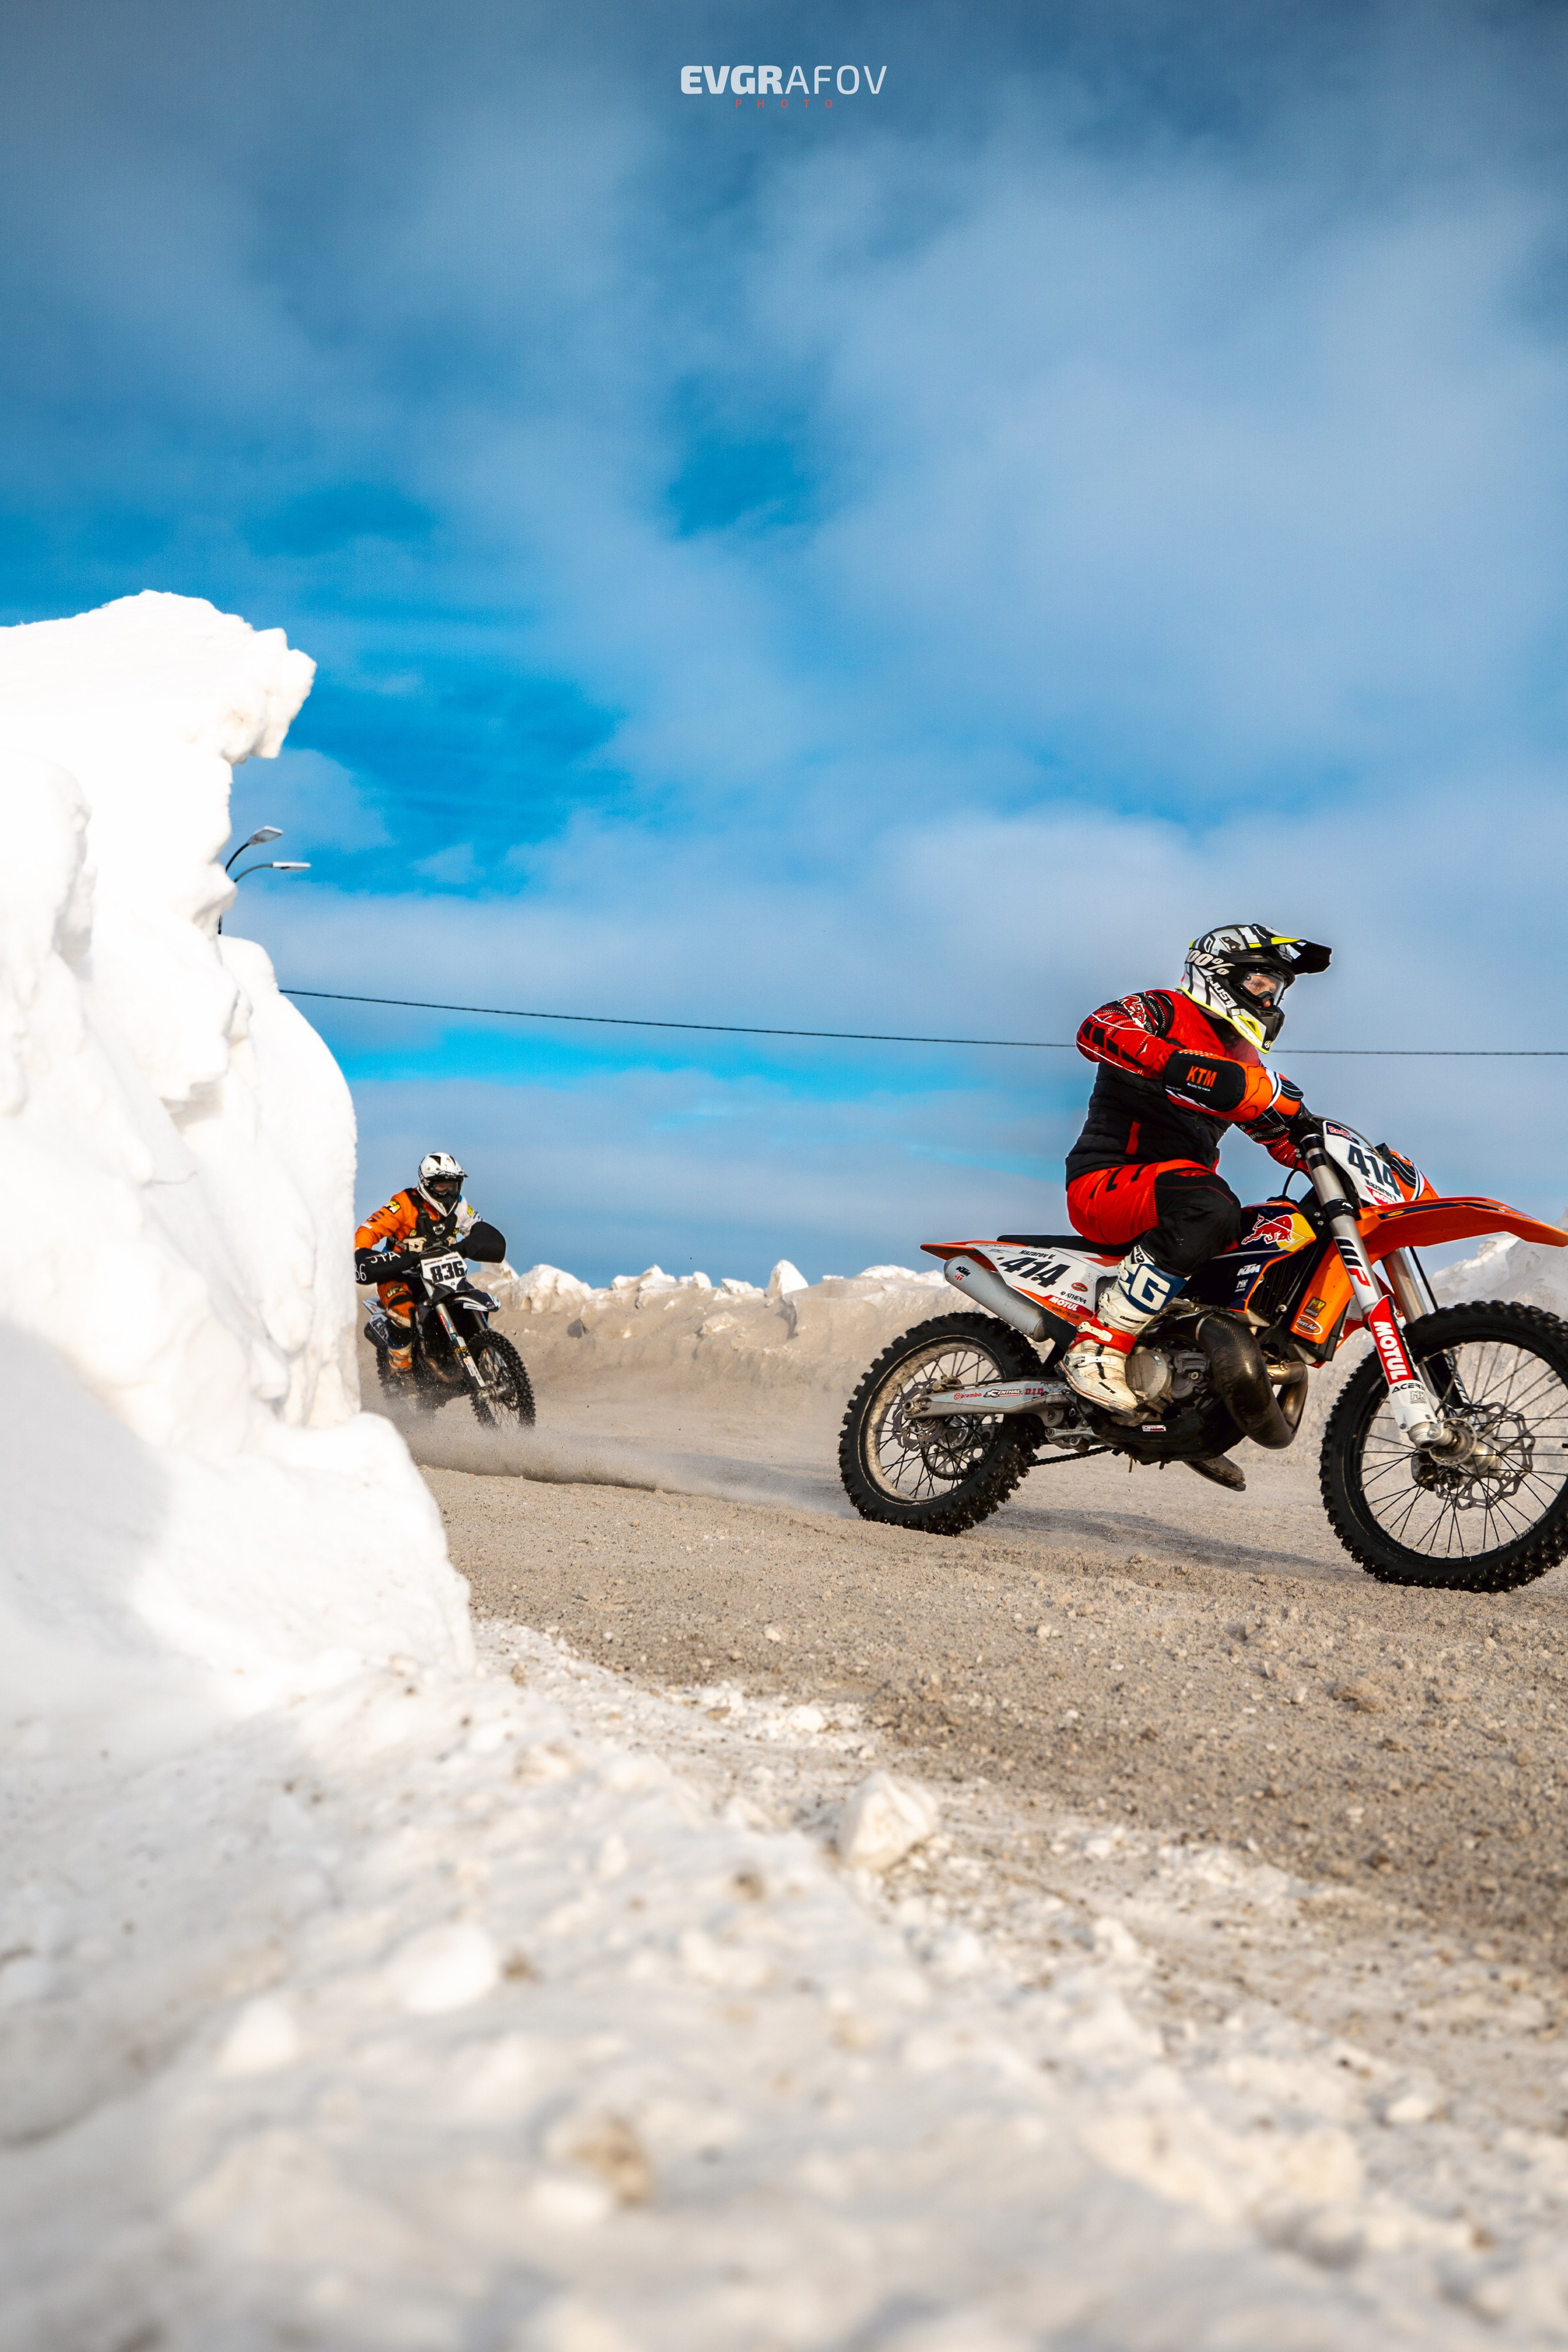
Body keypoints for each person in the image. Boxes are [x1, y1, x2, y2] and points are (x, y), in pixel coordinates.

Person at [1060, 925, 1331, 1472]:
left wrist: (1329, 1152)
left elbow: (1278, 1135)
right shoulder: (1163, 1009)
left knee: (1276, 1232)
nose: (1268, 998)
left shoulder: (1241, 1061)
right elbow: (1096, 1030)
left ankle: (1194, 1408)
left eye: (1276, 989)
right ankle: (1097, 1344)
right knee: (1212, 1206)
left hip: (1176, 1199)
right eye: (1259, 982)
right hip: (1108, 1182)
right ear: (1218, 972)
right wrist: (1178, 1064)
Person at [354, 1152, 506, 1379]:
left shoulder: (460, 1206)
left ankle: (478, 1356)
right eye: (441, 1186)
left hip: (443, 1273)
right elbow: (370, 1228)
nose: (448, 1192)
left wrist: (473, 1244)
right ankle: (401, 1375)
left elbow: (479, 1226)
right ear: (426, 1184)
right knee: (403, 1313)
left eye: (452, 1186)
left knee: (476, 1302)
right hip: (400, 1274)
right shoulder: (403, 1204)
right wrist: (361, 1252)